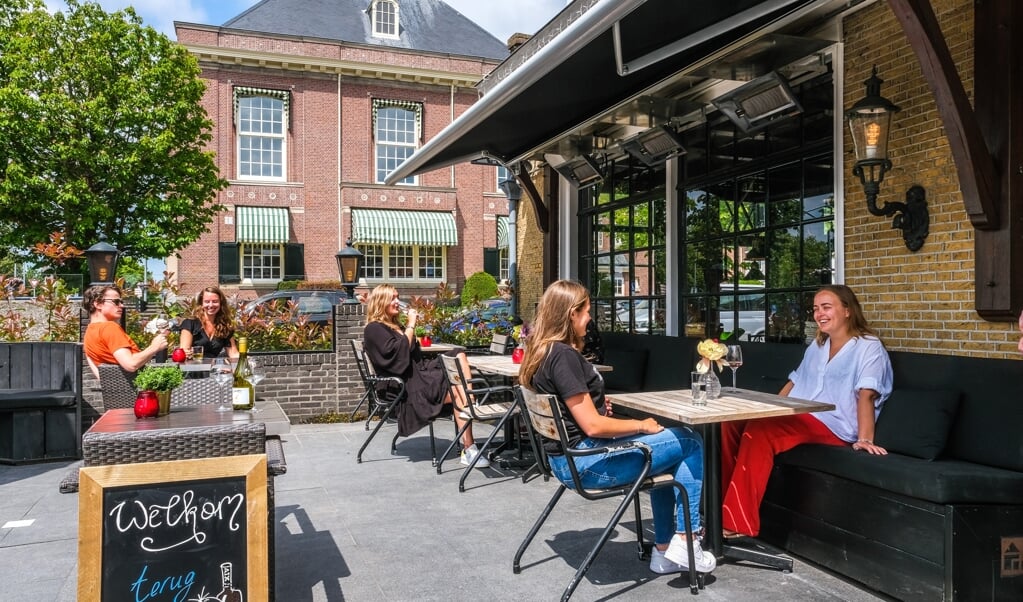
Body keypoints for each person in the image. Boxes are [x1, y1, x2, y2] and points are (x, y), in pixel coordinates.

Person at [519, 280, 715, 574]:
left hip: (563, 462)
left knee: (668, 454)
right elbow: (593, 427)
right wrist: (640, 425)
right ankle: (687, 540)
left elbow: (576, 413)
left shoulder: (542, 353)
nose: (590, 318)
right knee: (689, 441)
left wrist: (597, 405)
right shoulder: (563, 356)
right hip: (588, 462)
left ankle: (664, 552)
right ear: (571, 314)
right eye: (586, 311)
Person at [720, 284, 893, 538]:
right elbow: (794, 382)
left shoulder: (869, 347)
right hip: (799, 416)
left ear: (847, 310)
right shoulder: (818, 346)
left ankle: (736, 522)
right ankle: (718, 506)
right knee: (728, 423)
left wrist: (864, 439)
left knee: (760, 430)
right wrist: (767, 409)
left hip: (834, 425)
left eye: (826, 307)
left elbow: (867, 393)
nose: (818, 314)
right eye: (815, 309)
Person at [363, 284, 489, 468]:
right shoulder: (374, 329)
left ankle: (470, 398)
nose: (397, 301)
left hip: (417, 373)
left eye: (397, 297)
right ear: (381, 302)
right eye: (393, 298)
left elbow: (413, 354)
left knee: (458, 354)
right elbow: (398, 356)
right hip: (404, 385)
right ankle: (469, 449)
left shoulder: (395, 324)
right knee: (456, 392)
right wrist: (412, 324)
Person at [83, 285, 168, 379]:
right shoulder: (109, 328)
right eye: (116, 301)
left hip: (116, 391)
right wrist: (154, 347)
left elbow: (98, 373)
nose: (122, 305)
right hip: (140, 389)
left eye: (121, 301)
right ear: (98, 304)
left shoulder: (89, 332)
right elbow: (131, 364)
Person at [178, 286, 239, 360]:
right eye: (207, 302)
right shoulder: (190, 323)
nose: (211, 305)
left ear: (221, 303)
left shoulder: (225, 326)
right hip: (192, 368)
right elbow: (184, 352)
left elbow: (233, 353)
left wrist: (248, 362)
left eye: (215, 301)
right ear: (201, 303)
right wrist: (188, 353)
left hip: (214, 369)